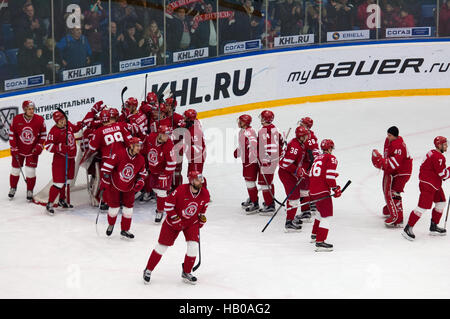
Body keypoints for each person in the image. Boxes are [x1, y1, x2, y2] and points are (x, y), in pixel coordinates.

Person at [143, 170, 210, 285]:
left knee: (193, 246)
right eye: (197, 179)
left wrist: (201, 218)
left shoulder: (205, 193)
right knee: (161, 247)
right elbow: (168, 205)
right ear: (191, 180)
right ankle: (148, 270)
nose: (200, 182)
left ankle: (187, 272)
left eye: (201, 179)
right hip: (173, 223)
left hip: (191, 222)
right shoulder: (180, 190)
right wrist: (175, 219)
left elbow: (202, 209)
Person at [402, 136, 449, 241]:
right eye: (445, 144)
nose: (446, 146)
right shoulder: (439, 157)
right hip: (429, 185)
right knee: (422, 207)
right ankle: (408, 228)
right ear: (439, 145)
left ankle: (433, 227)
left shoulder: (431, 152)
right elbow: (443, 174)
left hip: (433, 184)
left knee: (441, 202)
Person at [100, 137, 147, 240]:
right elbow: (106, 168)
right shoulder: (119, 154)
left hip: (129, 187)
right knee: (114, 208)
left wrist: (140, 181)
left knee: (129, 209)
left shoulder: (141, 159)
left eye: (140, 146)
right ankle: (111, 224)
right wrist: (105, 179)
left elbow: (142, 173)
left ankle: (125, 230)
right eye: (137, 146)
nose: (139, 148)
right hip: (115, 184)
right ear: (131, 145)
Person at [372, 126, 412, 227]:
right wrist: (383, 162)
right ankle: (391, 208)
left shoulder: (399, 146)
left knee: (394, 193)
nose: (388, 137)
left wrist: (381, 162)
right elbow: (388, 157)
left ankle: (398, 218)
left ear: (395, 136)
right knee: (390, 191)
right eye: (387, 135)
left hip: (402, 173)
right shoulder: (389, 141)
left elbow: (394, 163)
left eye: (390, 135)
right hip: (396, 172)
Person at [44, 110, 83, 215]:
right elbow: (47, 146)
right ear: (56, 121)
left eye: (64, 119)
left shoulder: (68, 124)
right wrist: (60, 147)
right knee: (59, 183)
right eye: (60, 120)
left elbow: (75, 128)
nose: (63, 121)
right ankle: (50, 204)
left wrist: (81, 124)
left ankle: (62, 200)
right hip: (60, 160)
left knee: (68, 181)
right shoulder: (54, 131)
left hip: (70, 158)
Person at [8, 100, 46, 201]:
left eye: (33, 109)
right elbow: (12, 134)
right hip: (19, 150)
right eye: (29, 109)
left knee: (30, 171)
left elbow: (43, 135)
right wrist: (13, 147)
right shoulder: (16, 119)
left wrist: (39, 146)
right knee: (15, 170)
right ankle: (13, 188)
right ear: (24, 109)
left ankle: (30, 190)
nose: (31, 111)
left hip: (32, 151)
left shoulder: (39, 119)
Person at [309, 139, 341, 251]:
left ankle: (314, 234)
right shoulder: (331, 158)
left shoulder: (317, 157)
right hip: (322, 190)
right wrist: (335, 188)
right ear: (330, 148)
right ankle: (320, 241)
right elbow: (329, 176)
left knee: (319, 212)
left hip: (312, 190)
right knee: (327, 216)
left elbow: (317, 173)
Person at [141, 124, 177, 223]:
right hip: (153, 170)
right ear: (159, 134)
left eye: (168, 135)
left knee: (161, 192)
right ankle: (167, 199)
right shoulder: (151, 137)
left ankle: (160, 211)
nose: (167, 137)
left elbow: (172, 163)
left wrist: (165, 175)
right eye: (165, 135)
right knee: (155, 188)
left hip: (164, 172)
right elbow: (145, 149)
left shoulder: (169, 145)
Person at [278, 125, 310, 232]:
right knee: (294, 197)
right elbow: (284, 163)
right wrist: (297, 171)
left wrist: (300, 170)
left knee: (294, 196)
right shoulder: (295, 147)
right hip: (286, 174)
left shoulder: (299, 144)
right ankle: (289, 223)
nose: (307, 137)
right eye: (305, 135)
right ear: (301, 136)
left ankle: (290, 220)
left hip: (290, 174)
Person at [257, 110, 282, 215]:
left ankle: (269, 206)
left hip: (268, 160)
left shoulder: (263, 131)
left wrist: (266, 160)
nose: (261, 119)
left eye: (262, 118)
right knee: (269, 182)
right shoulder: (274, 128)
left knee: (264, 183)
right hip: (275, 159)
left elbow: (268, 146)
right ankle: (270, 202)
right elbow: (280, 140)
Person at [295, 116, 320, 223]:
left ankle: (306, 212)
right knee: (306, 187)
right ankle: (312, 203)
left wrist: (312, 163)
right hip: (305, 164)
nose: (300, 125)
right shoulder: (306, 135)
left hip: (306, 165)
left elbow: (315, 151)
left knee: (304, 189)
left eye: (302, 124)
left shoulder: (310, 137)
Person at [234, 114, 260, 214]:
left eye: (240, 121)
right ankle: (252, 197)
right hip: (246, 161)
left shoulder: (250, 132)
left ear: (244, 122)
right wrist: (238, 150)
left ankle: (255, 203)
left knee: (250, 182)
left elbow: (254, 145)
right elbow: (243, 144)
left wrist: (251, 157)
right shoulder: (242, 131)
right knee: (248, 181)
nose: (238, 122)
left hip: (251, 162)